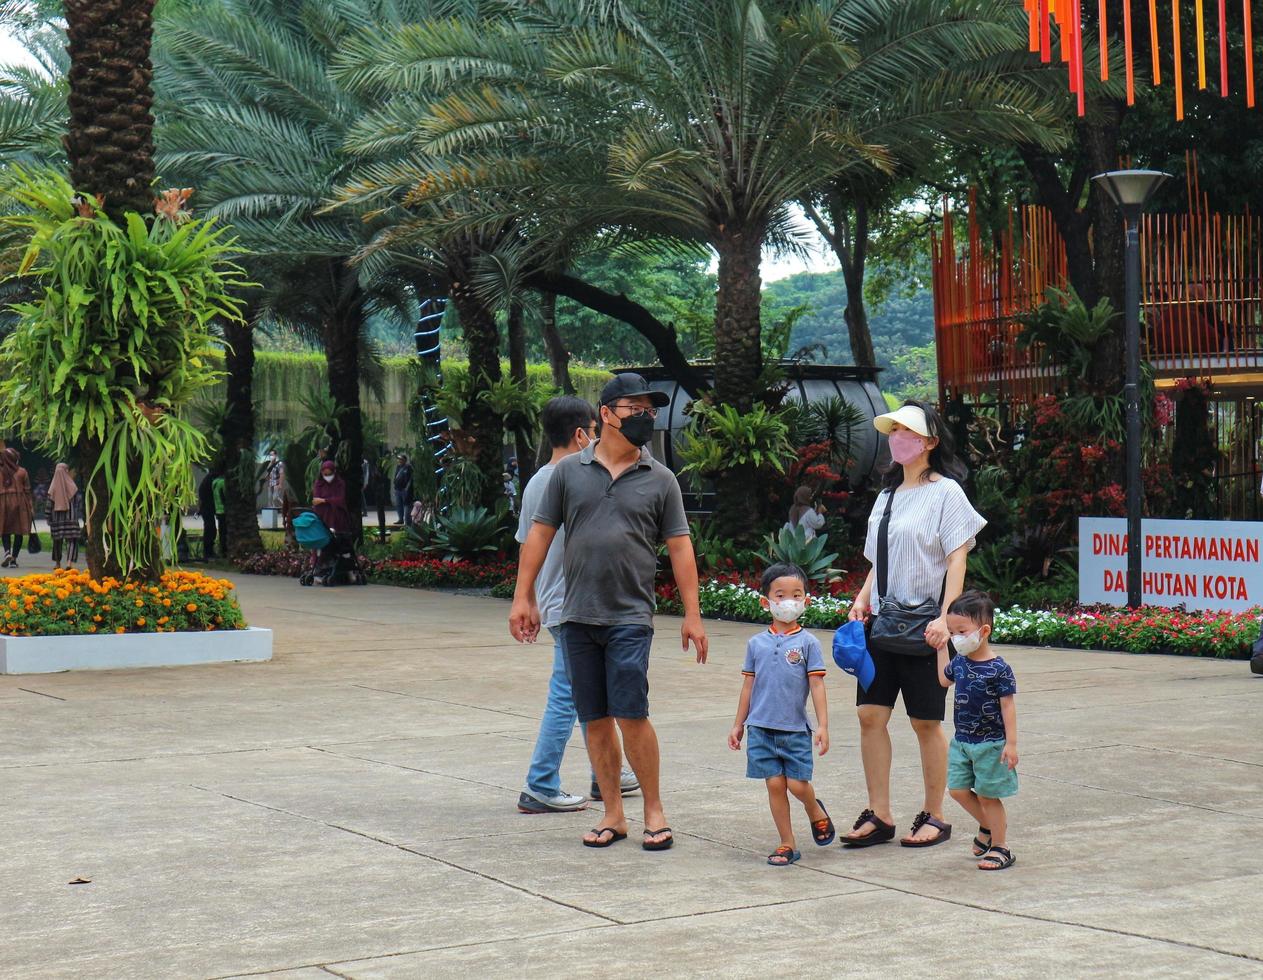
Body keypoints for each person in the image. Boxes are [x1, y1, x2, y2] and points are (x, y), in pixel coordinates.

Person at [511, 373, 708, 851]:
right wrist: (524, 596)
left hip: (630, 616)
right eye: (634, 408)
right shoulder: (567, 473)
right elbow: (539, 536)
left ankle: (654, 811)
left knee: (631, 713)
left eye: (649, 410)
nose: (645, 416)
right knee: (594, 718)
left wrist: (692, 613)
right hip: (577, 615)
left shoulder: (660, 479)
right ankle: (613, 815)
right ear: (605, 414)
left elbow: (680, 549)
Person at [842, 400, 986, 849]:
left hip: (926, 624)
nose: (897, 438)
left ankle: (935, 814)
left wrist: (946, 618)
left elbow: (956, 556)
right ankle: (880, 813)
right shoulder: (886, 497)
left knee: (925, 722)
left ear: (930, 442)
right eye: (894, 431)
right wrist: (862, 599)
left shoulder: (946, 493)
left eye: (907, 431)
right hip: (883, 623)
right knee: (870, 715)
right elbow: (877, 560)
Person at [515, 396, 638, 814]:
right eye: (595, 429)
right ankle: (540, 783)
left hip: (557, 600)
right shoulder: (570, 478)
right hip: (573, 604)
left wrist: (527, 598)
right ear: (581, 434)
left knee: (589, 692)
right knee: (569, 694)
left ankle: (606, 776)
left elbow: (524, 546)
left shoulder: (536, 481)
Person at [728, 562, 834, 867]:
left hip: (794, 729)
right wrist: (738, 725)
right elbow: (748, 686)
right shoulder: (756, 644)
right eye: (780, 594)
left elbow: (817, 685)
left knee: (798, 785)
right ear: (766, 602)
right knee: (775, 784)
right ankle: (787, 842)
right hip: (760, 727)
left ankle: (814, 809)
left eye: (796, 594)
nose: (788, 601)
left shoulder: (808, 643)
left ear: (806, 601)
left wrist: (822, 726)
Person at [936, 591, 1018, 870]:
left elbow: (1008, 707)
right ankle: (986, 825)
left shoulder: (999, 669)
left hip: (991, 744)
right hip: (962, 742)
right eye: (951, 631)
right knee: (958, 790)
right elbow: (943, 681)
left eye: (961, 631)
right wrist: (939, 648)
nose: (956, 637)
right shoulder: (959, 662)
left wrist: (1012, 744)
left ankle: (1001, 846)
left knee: (987, 794)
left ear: (983, 631)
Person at [0, 448, 34, 567]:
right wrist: (31, 506)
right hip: (20, 503)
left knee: (5, 529)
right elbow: (28, 490)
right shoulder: (22, 472)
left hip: (3, 503)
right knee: (18, 530)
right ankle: (14, 559)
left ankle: (7, 552)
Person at [47, 462, 81, 570]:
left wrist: (48, 516)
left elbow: (49, 504)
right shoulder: (72, 486)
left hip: (56, 519)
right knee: (71, 540)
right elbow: (77, 503)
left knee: (57, 541)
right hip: (70, 518)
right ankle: (69, 563)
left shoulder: (53, 487)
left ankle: (57, 563)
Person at [312, 460, 352, 535]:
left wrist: (324, 500)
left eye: (330, 474)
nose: (327, 476)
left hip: (337, 515)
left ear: (334, 472)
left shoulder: (340, 483)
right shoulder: (319, 483)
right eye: (325, 474)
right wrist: (330, 501)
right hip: (322, 515)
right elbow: (316, 500)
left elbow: (340, 500)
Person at [198, 467, 219, 560]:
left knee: (210, 529)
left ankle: (209, 551)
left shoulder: (208, 480)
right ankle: (208, 552)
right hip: (207, 508)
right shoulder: (211, 480)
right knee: (210, 529)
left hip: (206, 508)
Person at [392, 453, 413, 526]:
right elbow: (396, 476)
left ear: (405, 460)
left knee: (406, 505)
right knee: (398, 505)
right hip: (397, 489)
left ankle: (407, 520)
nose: (399, 460)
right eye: (399, 459)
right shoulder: (398, 467)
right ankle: (400, 519)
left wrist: (407, 488)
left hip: (404, 489)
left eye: (401, 459)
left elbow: (410, 479)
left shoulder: (408, 467)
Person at [212, 470, 228, 557]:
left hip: (217, 509)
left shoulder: (214, 482)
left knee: (221, 531)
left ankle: (222, 549)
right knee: (225, 532)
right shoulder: (223, 482)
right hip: (224, 510)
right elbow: (224, 495)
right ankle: (225, 550)